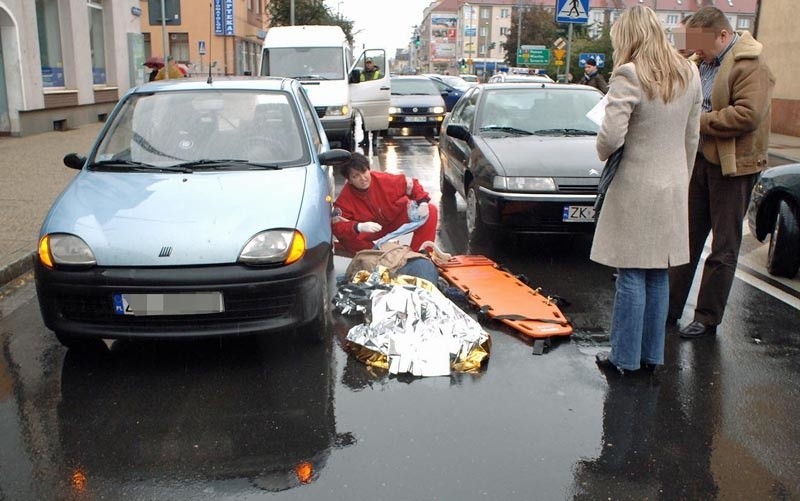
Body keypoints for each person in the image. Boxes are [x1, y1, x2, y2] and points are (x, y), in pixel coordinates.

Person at [590, 5, 702, 376]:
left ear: (627, 37)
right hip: (672, 183)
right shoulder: (689, 71)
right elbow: (692, 136)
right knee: (657, 274)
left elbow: (610, 136)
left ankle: (623, 358)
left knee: (632, 274)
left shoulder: (630, 74)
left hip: (636, 185)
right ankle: (651, 357)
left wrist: (602, 151)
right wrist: (679, 178)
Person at [668, 6, 775, 339]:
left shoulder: (751, 66)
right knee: (685, 239)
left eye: (702, 43)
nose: (696, 50)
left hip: (734, 166)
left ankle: (707, 317)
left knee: (724, 246)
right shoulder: (699, 64)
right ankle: (668, 309)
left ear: (724, 35)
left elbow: (747, 116)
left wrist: (695, 123)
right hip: (699, 160)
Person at [332, 152, 438, 255]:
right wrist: (358, 226)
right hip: (371, 229)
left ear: (369, 169)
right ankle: (376, 257)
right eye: (356, 176)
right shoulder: (345, 199)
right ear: (349, 180)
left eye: (364, 172)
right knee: (346, 236)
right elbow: (337, 226)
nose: (363, 179)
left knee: (431, 210)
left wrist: (423, 202)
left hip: (396, 218)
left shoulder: (383, 179)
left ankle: (420, 256)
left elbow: (411, 184)